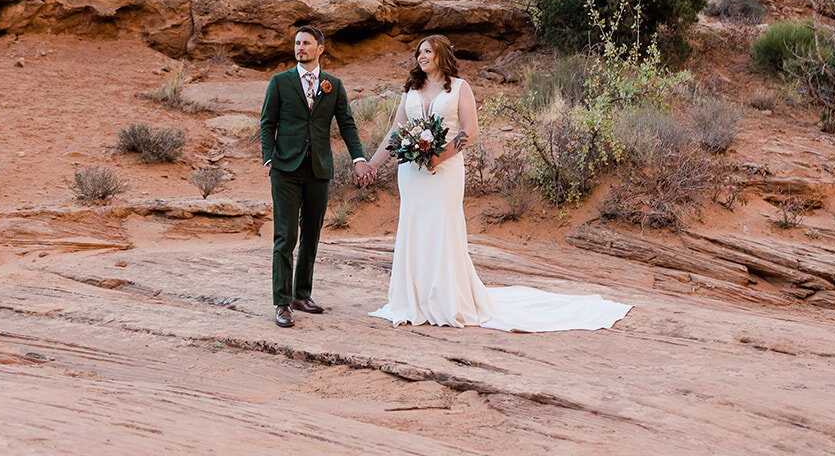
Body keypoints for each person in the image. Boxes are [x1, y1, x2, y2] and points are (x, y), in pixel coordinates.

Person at [368, 34, 631, 332]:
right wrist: (371, 165)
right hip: (412, 172)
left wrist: (439, 157)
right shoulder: (411, 90)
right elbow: (396, 132)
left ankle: (446, 300)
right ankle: (412, 301)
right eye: (419, 52)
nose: (421, 56)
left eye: (427, 51)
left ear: (441, 54)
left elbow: (470, 131)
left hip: (445, 170)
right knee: (414, 227)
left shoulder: (459, 88)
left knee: (442, 227)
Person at [260, 24, 374, 328]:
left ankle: (302, 294)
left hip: (319, 170)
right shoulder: (280, 82)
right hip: (285, 169)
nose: (300, 48)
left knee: (311, 234)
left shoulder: (333, 85)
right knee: (286, 236)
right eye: (297, 43)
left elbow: (347, 124)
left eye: (306, 43)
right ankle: (282, 302)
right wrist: (269, 156)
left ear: (319, 49)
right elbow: (267, 122)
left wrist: (359, 158)